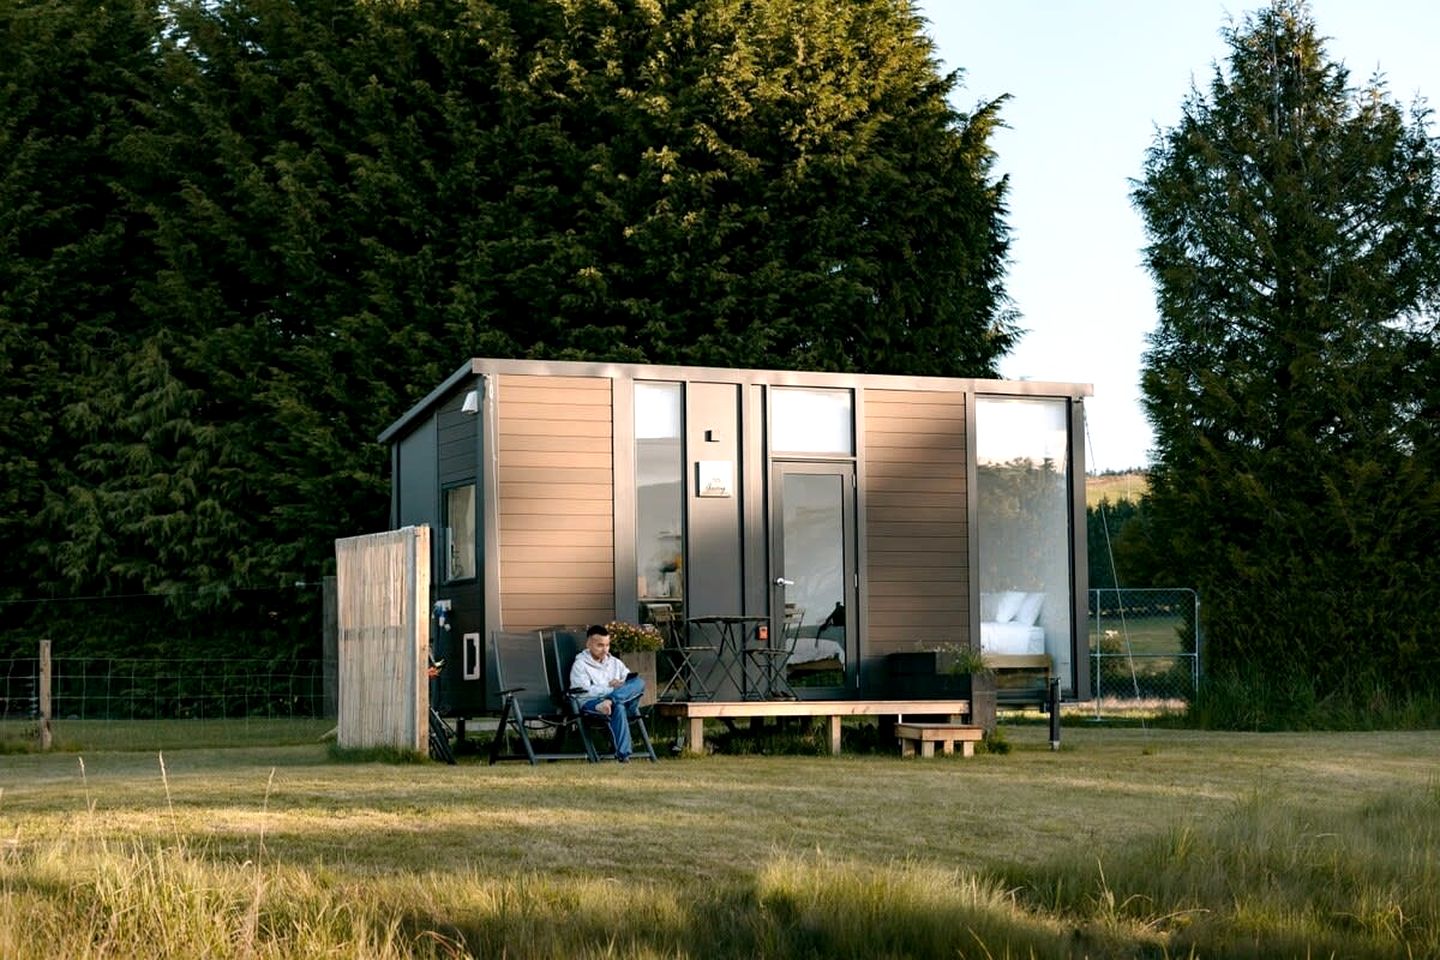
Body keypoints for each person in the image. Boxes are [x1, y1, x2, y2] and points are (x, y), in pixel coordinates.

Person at [569, 624, 646, 762]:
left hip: (620, 701)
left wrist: (621, 685)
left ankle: (611, 700)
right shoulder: (580, 665)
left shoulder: (615, 662)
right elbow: (583, 691)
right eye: (600, 645)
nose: (605, 650)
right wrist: (610, 688)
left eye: (607, 645)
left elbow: (629, 681)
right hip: (592, 703)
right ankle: (624, 756)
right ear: (588, 644)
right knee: (619, 707)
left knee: (639, 682)